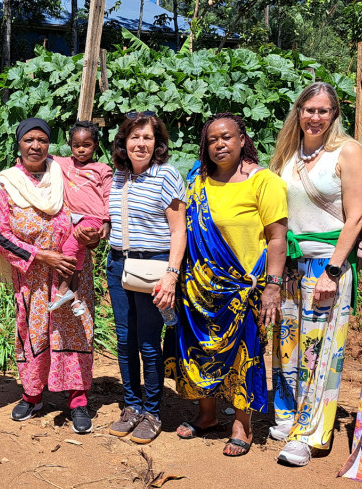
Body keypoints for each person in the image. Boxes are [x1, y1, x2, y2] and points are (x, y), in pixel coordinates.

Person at [170, 112, 288, 456]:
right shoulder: (197, 180)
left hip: (242, 287)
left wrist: (272, 286)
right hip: (198, 287)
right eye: (212, 139)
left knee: (245, 353)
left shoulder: (264, 182)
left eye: (227, 137)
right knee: (199, 349)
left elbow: (276, 238)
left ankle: (242, 424)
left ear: (242, 140)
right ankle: (207, 415)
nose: (219, 144)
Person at [268, 82, 362, 470]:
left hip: (326, 265)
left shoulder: (348, 151)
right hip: (290, 265)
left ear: (335, 114)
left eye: (323, 110)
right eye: (309, 109)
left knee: (318, 352)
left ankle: (308, 434)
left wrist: (334, 270)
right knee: (286, 346)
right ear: (299, 111)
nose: (315, 117)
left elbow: (357, 216)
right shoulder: (287, 153)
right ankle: (286, 415)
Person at [0, 117, 98, 434]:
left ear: (50, 144)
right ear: (19, 143)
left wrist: (93, 233)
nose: (36, 145)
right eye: (29, 139)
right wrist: (40, 255)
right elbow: (0, 233)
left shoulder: (65, 173)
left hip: (71, 268)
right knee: (33, 332)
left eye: (42, 139)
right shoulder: (6, 183)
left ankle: (78, 400)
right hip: (32, 275)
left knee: (75, 329)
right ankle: (33, 395)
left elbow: (91, 206)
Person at [105, 112, 187, 445]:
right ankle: (132, 406)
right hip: (118, 265)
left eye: (148, 138)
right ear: (123, 141)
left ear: (157, 143)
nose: (141, 144)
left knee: (149, 342)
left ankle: (152, 412)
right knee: (125, 340)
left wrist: (171, 275)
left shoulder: (166, 175)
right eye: (134, 137)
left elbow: (178, 230)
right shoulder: (118, 176)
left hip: (154, 267)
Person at [48, 121, 113, 317]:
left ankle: (63, 290)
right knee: (78, 254)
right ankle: (76, 299)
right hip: (72, 218)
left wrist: (107, 221)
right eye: (76, 145)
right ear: (70, 145)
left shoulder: (102, 169)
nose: (81, 150)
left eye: (87, 145)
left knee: (69, 248)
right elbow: (44, 155)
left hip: (93, 218)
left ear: (96, 145)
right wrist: (20, 160)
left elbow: (109, 195)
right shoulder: (65, 163)